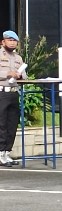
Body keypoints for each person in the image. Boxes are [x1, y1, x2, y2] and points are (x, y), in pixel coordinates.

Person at [0, 30, 25, 168]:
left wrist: (20, 75)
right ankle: (0, 154)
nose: (12, 42)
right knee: (1, 124)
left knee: (12, 124)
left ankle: (6, 153)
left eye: (14, 40)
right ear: (3, 42)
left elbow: (24, 76)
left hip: (14, 93)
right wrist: (7, 73)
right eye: (9, 40)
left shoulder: (18, 58)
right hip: (1, 92)